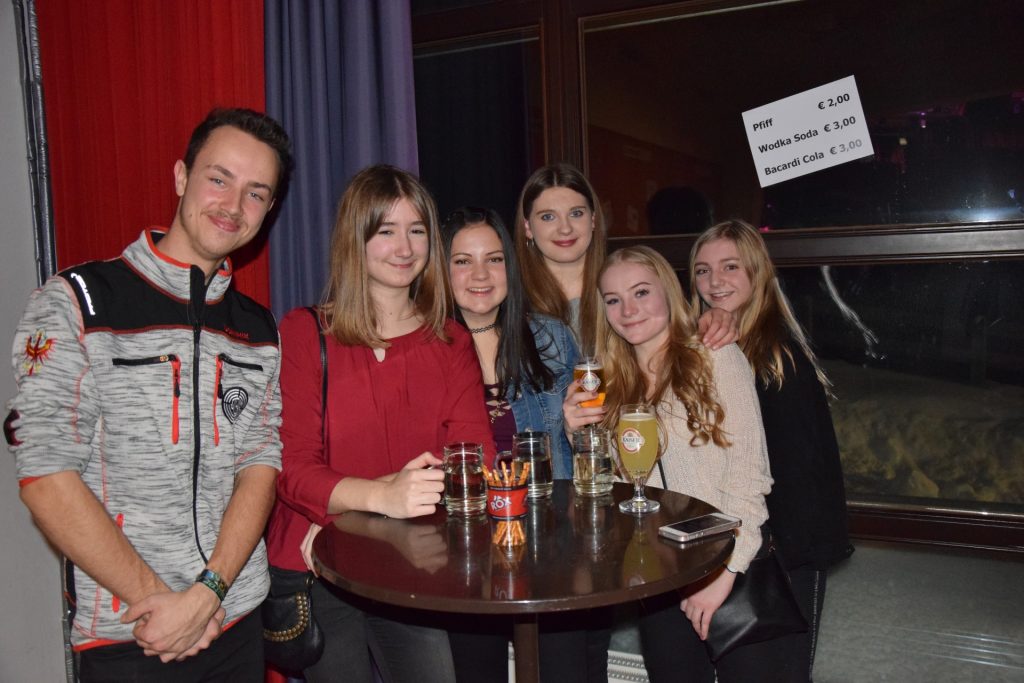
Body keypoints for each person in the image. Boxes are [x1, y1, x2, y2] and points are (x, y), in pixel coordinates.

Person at [5, 107, 291, 680]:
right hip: (131, 631)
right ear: (181, 177)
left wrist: (208, 593)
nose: (233, 205)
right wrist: (161, 604)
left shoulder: (258, 327)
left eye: (256, 193)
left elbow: (259, 463)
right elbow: (45, 474)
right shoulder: (79, 300)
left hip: (235, 619)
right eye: (219, 179)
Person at [264, 165, 494, 683]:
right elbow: (290, 468)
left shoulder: (452, 342)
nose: (405, 247)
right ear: (356, 237)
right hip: (319, 563)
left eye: (417, 230)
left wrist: (357, 509)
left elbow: (475, 460)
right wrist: (380, 497)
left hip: (409, 564)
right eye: (386, 230)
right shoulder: (305, 332)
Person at [564, 245, 773, 683]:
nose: (628, 310)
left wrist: (725, 572)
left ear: (668, 292)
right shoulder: (609, 383)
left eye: (641, 292)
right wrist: (577, 432)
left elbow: (749, 476)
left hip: (729, 563)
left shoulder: (715, 357)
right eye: (613, 300)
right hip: (657, 572)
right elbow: (612, 487)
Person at [690, 219, 852, 682]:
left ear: (757, 272)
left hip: (783, 547)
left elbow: (802, 470)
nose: (715, 281)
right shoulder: (714, 345)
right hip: (742, 537)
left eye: (730, 267)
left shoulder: (777, 355)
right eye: (702, 270)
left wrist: (774, 552)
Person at [441, 206, 589, 681]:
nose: (481, 275)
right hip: (462, 555)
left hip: (551, 545)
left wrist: (577, 431)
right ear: (440, 270)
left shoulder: (551, 338)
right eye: (462, 261)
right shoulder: (422, 349)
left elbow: (588, 447)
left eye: (494, 259)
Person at [514, 163, 736, 357]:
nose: (565, 228)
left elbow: (680, 331)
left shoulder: (625, 282)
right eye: (548, 217)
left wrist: (714, 317)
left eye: (576, 213)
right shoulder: (511, 298)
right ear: (527, 227)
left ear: (593, 219)